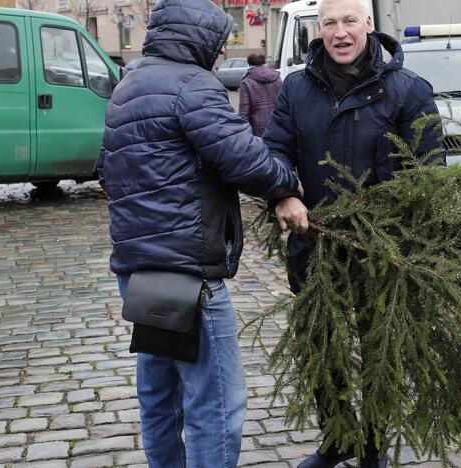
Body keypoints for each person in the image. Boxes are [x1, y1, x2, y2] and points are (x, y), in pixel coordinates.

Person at [97, 0, 302, 466]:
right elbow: (243, 158)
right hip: (188, 272)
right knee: (215, 400)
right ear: (202, 39)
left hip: (138, 269)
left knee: (159, 394)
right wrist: (287, 183)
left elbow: (106, 172)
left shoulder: (128, 85)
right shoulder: (193, 85)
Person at [263, 0, 443, 466]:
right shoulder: (296, 89)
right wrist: (283, 193)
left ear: (369, 25)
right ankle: (337, 438)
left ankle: (374, 447)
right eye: (329, 24)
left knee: (380, 350)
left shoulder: (407, 91)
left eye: (349, 22)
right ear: (317, 30)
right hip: (314, 246)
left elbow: (430, 173)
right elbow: (275, 149)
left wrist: (398, 228)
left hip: (381, 251)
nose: (340, 33)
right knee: (323, 347)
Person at [238, 53, 282, 137]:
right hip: (277, 125)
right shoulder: (277, 78)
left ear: (249, 63)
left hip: (257, 130)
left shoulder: (246, 82)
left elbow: (244, 111)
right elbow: (284, 103)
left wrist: (243, 133)